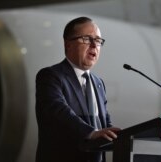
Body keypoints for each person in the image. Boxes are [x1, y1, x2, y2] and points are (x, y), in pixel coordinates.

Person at [35, 17, 120, 162]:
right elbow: (58, 112)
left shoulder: (99, 83)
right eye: (87, 39)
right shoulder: (51, 76)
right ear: (68, 44)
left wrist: (119, 137)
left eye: (98, 40)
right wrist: (91, 133)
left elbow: (103, 123)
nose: (94, 45)